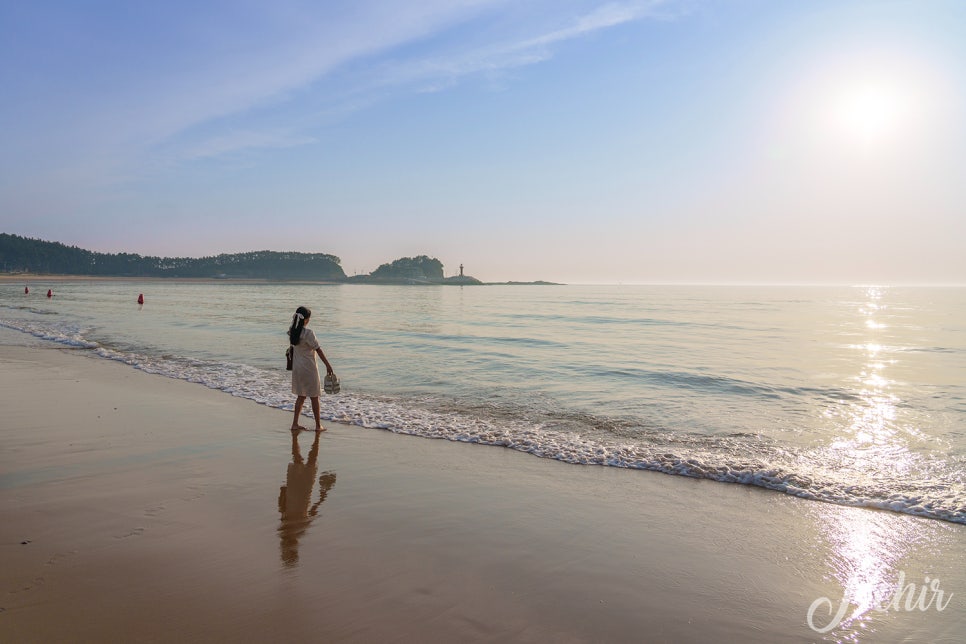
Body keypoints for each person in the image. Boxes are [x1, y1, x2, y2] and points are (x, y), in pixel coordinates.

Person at [287, 306, 335, 431]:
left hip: (297, 368)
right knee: (314, 397)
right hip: (309, 368)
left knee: (301, 396)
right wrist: (328, 365)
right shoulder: (308, 333)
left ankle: (295, 424)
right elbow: (318, 350)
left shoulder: (292, 332)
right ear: (306, 320)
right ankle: (318, 425)